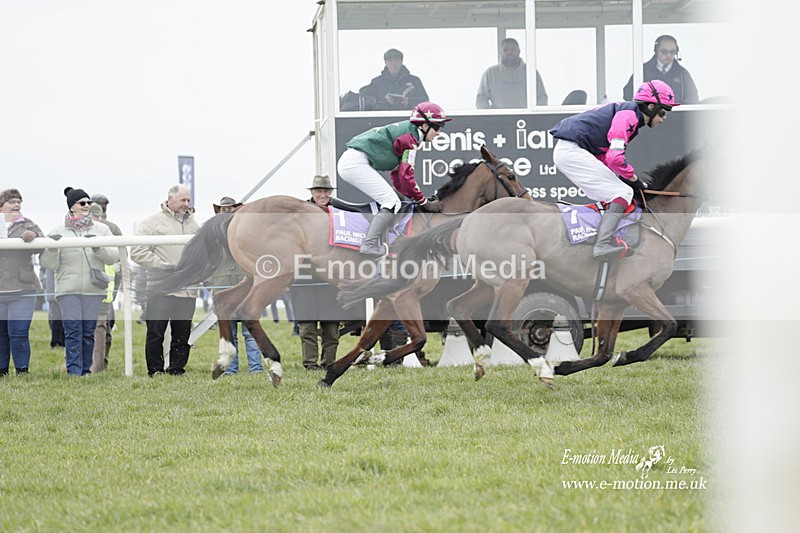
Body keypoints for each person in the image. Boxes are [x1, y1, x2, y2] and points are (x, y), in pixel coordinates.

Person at [549, 80, 679, 260]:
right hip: (571, 152)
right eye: (663, 112)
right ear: (651, 107)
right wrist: (633, 179)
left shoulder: (629, 115)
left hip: (573, 151)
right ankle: (601, 245)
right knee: (623, 192)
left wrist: (624, 177)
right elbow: (615, 158)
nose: (663, 118)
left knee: (619, 190)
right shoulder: (629, 116)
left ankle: (599, 236)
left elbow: (605, 156)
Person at [337, 101, 449, 255]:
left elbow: (398, 177)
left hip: (353, 161)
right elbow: (406, 176)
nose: (438, 133)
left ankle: (381, 238)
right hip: (355, 163)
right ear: (424, 125)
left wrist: (416, 199)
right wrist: (424, 202)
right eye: (437, 127)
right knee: (391, 202)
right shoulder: (410, 139)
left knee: (396, 199)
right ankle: (369, 244)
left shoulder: (409, 134)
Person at [39, 187, 120, 376]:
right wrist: (52, 248)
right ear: (71, 207)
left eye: (89, 203)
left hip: (93, 288)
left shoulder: (102, 229)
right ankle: (74, 370)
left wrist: (98, 248)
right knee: (73, 329)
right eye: (82, 203)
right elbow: (48, 264)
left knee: (88, 331)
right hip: (68, 289)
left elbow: (113, 256)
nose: (87, 206)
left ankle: (85, 371)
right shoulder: (57, 231)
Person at [131, 184, 199, 376]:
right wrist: (161, 265)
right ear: (170, 200)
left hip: (187, 290)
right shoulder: (152, 223)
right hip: (160, 288)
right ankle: (155, 370)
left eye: (188, 200)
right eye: (182, 200)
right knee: (155, 332)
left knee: (182, 334)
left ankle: (177, 369)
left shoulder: (194, 225)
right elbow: (136, 251)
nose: (186, 203)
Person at [207, 196, 263, 375]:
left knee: (250, 332)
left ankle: (256, 368)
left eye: (230, 208)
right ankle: (231, 370)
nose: (227, 211)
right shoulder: (212, 237)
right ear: (219, 212)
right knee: (228, 333)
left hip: (246, 290)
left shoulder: (248, 233)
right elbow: (206, 265)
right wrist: (211, 286)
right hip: (223, 289)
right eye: (224, 209)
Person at [297, 175, 341, 370]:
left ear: (330, 192)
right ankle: (310, 364)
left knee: (331, 327)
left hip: (331, 276)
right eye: (318, 191)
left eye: (325, 191)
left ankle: (329, 363)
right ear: (312, 193)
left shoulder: (339, 211)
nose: (322, 195)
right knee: (307, 326)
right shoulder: (301, 213)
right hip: (305, 276)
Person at [0, 189, 44, 376]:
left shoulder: (28, 224)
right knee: (1, 334)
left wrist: (34, 236)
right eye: (12, 202)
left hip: (23, 288)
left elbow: (42, 243)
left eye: (19, 201)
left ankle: (22, 372)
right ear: (1, 206)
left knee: (19, 332)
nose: (16, 205)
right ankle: (2, 372)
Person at [87, 201, 120, 372]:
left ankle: (95, 366)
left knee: (99, 329)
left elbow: (119, 257)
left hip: (102, 284)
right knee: (102, 329)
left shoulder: (109, 228)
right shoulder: (111, 228)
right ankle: (98, 366)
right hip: (105, 286)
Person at [622, 35, 699, 104]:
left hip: (675, 114)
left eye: (672, 52)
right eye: (664, 51)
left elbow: (693, 98)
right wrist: (646, 105)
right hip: (649, 114)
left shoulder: (682, 74)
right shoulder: (643, 71)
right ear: (656, 50)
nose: (668, 55)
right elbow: (628, 93)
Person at [476, 37, 547, 109]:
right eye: (506, 50)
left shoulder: (530, 72)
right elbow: (481, 99)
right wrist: (492, 114)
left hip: (525, 116)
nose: (509, 53)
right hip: (500, 116)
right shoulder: (490, 74)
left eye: (513, 49)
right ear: (501, 52)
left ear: (519, 52)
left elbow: (542, 97)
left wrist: (533, 114)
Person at [359, 48, 430, 111]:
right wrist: (386, 102)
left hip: (408, 120)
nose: (393, 64)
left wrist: (409, 102)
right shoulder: (377, 82)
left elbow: (426, 104)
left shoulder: (414, 81)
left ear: (401, 61)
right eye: (390, 61)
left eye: (396, 60)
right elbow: (371, 106)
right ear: (385, 63)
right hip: (384, 120)